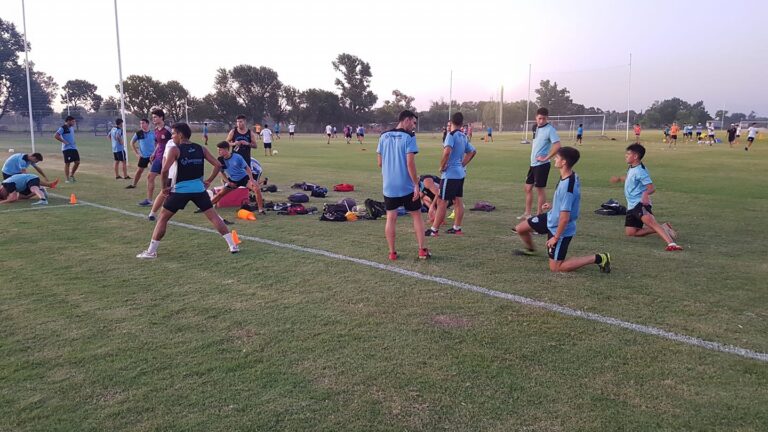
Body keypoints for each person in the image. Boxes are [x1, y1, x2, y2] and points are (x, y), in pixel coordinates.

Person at [136, 123, 238, 259]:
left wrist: (164, 188)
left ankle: (151, 251)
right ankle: (233, 245)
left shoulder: (175, 149)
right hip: (199, 190)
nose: (172, 136)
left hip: (180, 191)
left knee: (163, 218)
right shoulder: (201, 148)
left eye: (173, 133)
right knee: (214, 217)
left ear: (180, 135)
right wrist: (208, 181)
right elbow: (218, 165)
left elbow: (164, 170)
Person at [513, 147, 611, 273]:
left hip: (560, 228)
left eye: (557, 157)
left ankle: (599, 258)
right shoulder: (570, 175)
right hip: (551, 217)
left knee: (556, 267)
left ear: (564, 162)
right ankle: (531, 250)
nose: (555, 159)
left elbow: (564, 218)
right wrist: (554, 205)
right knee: (520, 229)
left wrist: (555, 237)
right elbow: (569, 202)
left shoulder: (567, 187)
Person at [377, 110, 430, 260]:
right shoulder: (409, 137)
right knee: (416, 215)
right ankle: (422, 250)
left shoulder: (383, 136)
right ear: (406, 120)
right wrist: (416, 184)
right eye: (413, 122)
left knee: (391, 217)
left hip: (389, 186)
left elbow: (380, 163)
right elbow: (410, 163)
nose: (414, 126)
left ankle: (392, 253)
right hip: (406, 186)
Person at [610, 143, 682, 251]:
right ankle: (664, 227)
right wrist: (620, 179)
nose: (626, 156)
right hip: (631, 205)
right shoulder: (632, 167)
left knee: (652, 223)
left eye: (628, 154)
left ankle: (671, 244)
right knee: (631, 233)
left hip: (640, 203)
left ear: (635, 156)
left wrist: (645, 194)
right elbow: (630, 178)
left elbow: (651, 188)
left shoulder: (641, 171)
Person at [426, 112, 477, 237]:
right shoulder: (463, 136)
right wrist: (462, 164)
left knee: (442, 202)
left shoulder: (451, 135)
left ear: (451, 122)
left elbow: (447, 152)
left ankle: (434, 230)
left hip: (450, 174)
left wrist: (442, 166)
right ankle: (457, 228)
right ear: (462, 123)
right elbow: (472, 151)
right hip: (460, 174)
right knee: (457, 201)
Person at [518, 107, 560, 221]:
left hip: (542, 165)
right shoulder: (534, 127)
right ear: (536, 117)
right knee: (527, 188)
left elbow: (557, 146)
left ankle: (539, 216)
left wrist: (546, 157)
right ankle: (527, 213)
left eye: (544, 119)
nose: (541, 121)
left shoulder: (550, 130)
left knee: (540, 190)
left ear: (547, 118)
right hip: (533, 164)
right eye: (539, 118)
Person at [207, 141, 257, 209]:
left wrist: (252, 180)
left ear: (226, 149)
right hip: (233, 181)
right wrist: (228, 182)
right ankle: (206, 207)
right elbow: (222, 173)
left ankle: (260, 209)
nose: (218, 152)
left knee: (256, 189)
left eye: (220, 150)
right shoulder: (220, 159)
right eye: (218, 150)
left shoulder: (237, 157)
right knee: (220, 194)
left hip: (244, 178)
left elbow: (247, 168)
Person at [143, 109, 173, 207]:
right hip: (158, 157)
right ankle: (149, 200)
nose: (153, 119)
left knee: (167, 179)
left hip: (167, 157)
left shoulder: (168, 130)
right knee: (150, 177)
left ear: (161, 117)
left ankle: (167, 198)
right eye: (153, 117)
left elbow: (176, 142)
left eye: (155, 117)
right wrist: (154, 153)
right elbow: (159, 144)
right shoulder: (156, 130)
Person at [126, 118, 155, 191]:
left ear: (147, 124)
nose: (141, 125)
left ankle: (165, 186)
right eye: (140, 123)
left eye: (143, 123)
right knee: (139, 171)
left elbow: (158, 143)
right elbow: (131, 143)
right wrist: (137, 153)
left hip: (153, 156)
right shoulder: (138, 133)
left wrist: (155, 152)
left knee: (156, 171)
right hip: (143, 156)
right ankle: (133, 185)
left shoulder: (153, 133)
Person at [54, 116, 79, 183]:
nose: (74, 123)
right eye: (73, 121)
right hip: (67, 148)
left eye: (74, 121)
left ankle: (72, 175)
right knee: (68, 163)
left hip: (74, 147)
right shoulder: (63, 128)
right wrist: (64, 141)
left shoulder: (72, 128)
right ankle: (67, 179)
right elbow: (56, 136)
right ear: (68, 121)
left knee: (77, 162)